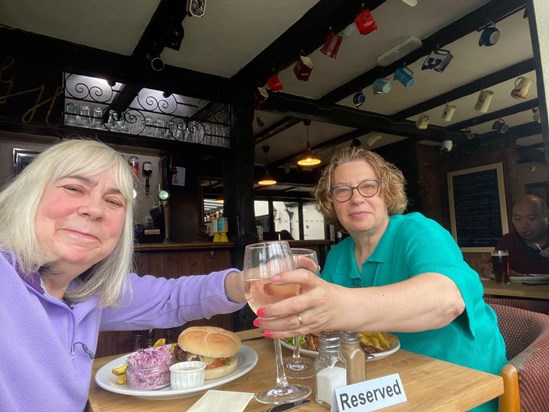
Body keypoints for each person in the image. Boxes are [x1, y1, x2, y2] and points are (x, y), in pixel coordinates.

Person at [0, 138, 247, 411]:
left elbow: (171, 298)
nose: (95, 210)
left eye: (113, 201)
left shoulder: (89, 291)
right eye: (73, 188)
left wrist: (247, 283)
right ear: (29, 195)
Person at [255, 147, 506, 412]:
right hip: (383, 384)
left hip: (459, 384)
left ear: (386, 192)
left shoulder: (420, 231)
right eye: (342, 191)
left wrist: (337, 307)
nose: (356, 199)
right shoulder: (339, 255)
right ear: (331, 203)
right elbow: (328, 334)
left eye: (368, 186)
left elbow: (446, 301)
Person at [494, 194, 549, 274]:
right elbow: (495, 268)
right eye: (517, 219)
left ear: (546, 216)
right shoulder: (508, 241)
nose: (524, 225)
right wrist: (490, 269)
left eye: (531, 218)